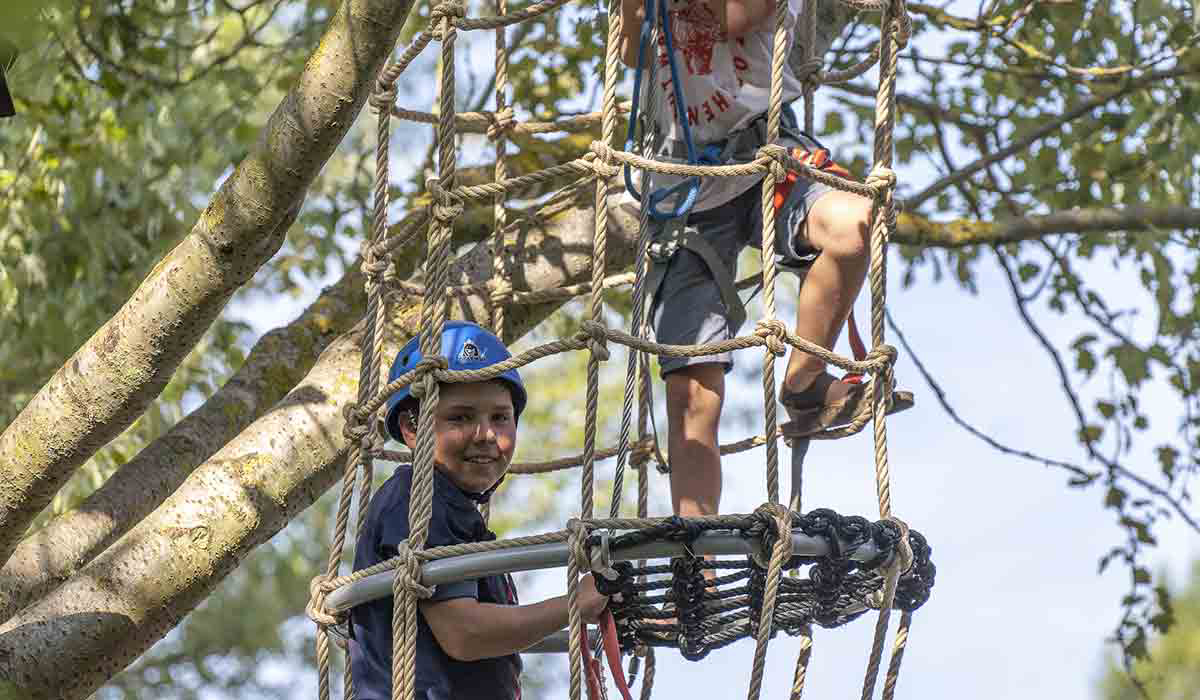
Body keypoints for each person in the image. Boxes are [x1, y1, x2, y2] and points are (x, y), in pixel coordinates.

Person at [617, 0, 884, 520]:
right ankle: (698, 572)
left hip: (768, 153)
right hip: (686, 182)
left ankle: (805, 383)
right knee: (692, 393)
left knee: (855, 226)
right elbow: (633, 51)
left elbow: (732, 16)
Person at [348, 321, 610, 700]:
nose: (485, 434)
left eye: (500, 417)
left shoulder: (454, 509)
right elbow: (464, 633)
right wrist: (575, 605)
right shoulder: (419, 499)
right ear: (411, 426)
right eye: (461, 417)